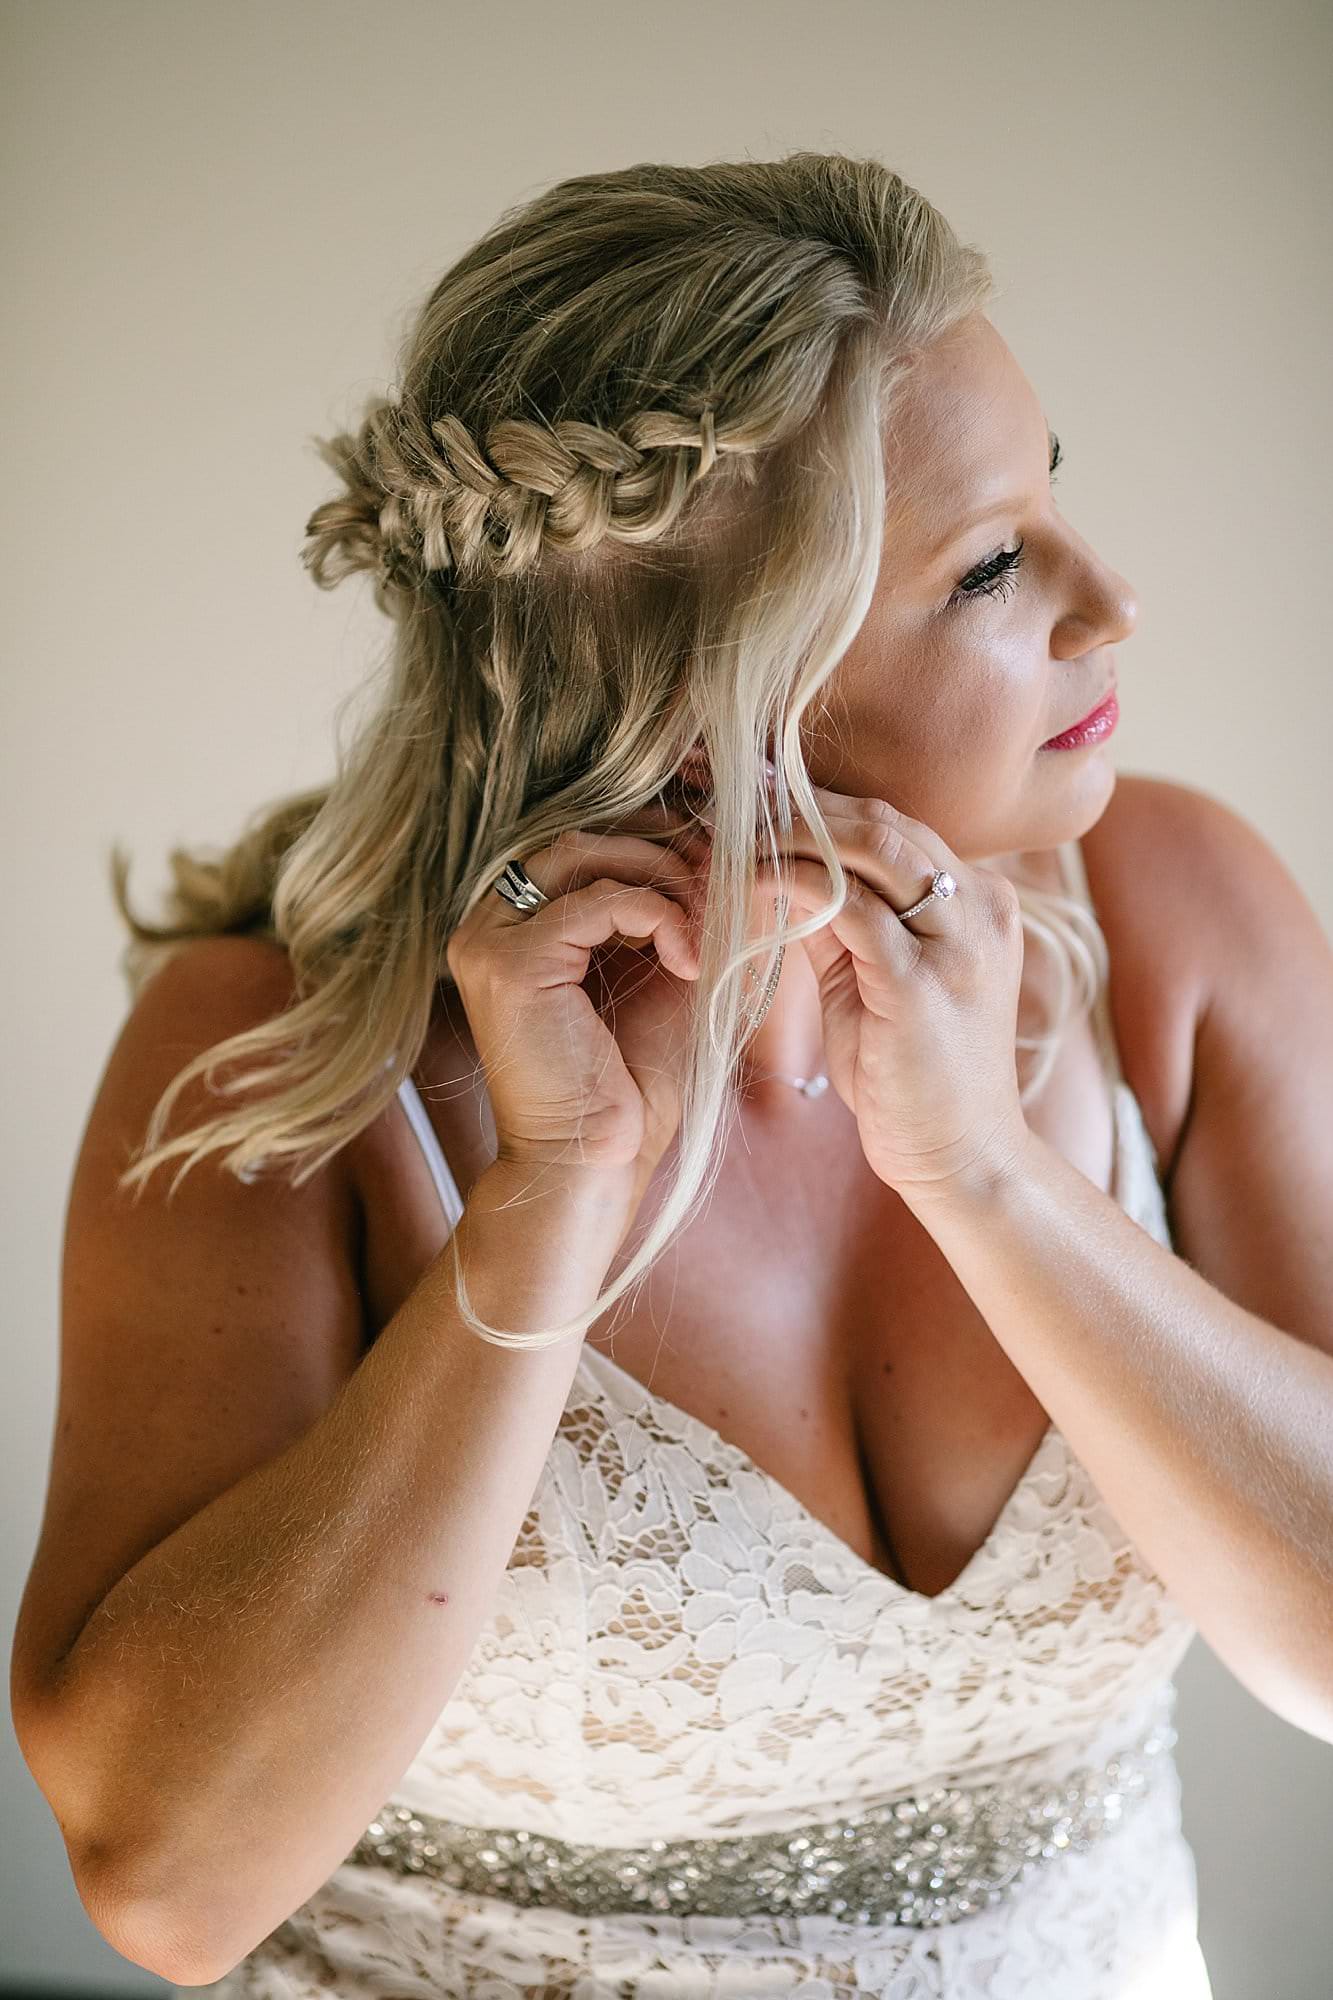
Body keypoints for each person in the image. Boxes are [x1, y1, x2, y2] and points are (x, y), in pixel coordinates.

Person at [11, 151, 1220, 1995]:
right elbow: (168, 1887)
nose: (1110, 598)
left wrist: (991, 1177)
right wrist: (551, 1199)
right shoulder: (273, 1064)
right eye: (988, 567)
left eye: (1051, 496)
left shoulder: (1178, 911)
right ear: (701, 701)